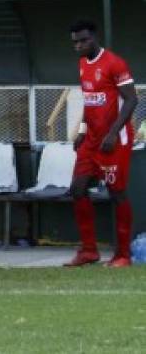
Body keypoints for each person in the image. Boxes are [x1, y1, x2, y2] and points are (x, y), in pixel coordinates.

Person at [65, 20, 138, 268]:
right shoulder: (83, 64)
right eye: (75, 42)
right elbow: (90, 101)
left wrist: (112, 134)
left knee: (117, 194)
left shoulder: (115, 63)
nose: (79, 45)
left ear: (94, 38)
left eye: (83, 40)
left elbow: (131, 100)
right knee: (77, 188)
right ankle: (88, 251)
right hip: (92, 140)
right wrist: (83, 130)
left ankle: (123, 255)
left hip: (114, 141)